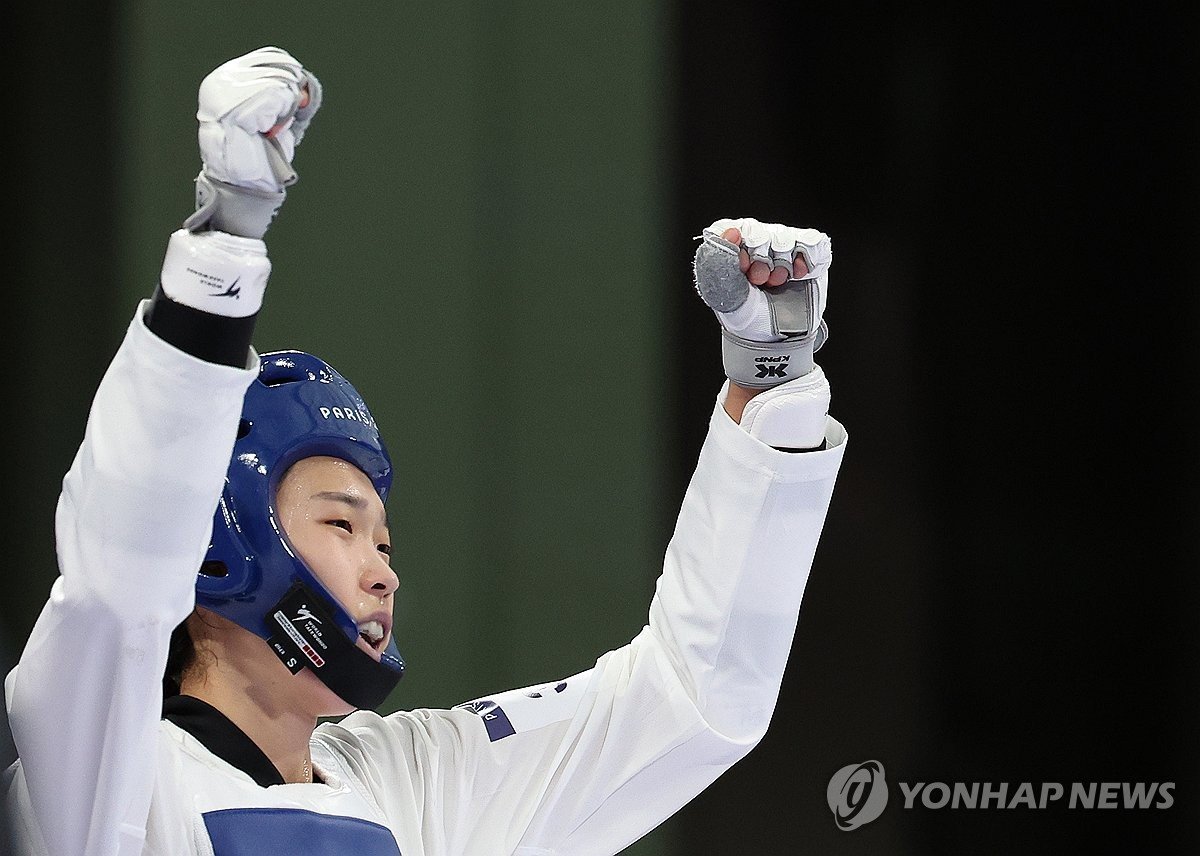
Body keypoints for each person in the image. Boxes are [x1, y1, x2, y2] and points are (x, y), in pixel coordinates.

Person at [2, 47, 846, 856]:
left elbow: (689, 700)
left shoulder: (415, 787)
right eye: (341, 524)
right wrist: (221, 249)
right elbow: (118, 585)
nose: (384, 573)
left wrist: (771, 388)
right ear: (220, 549)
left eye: (385, 541)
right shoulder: (103, 780)